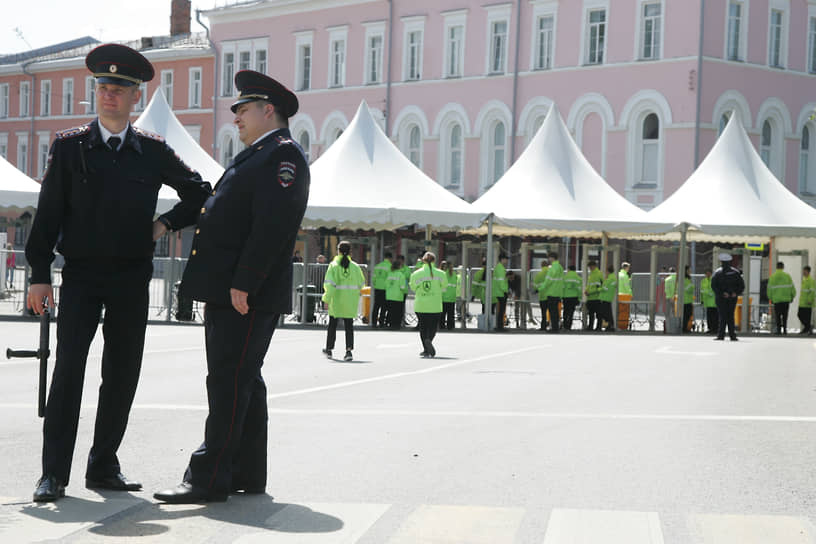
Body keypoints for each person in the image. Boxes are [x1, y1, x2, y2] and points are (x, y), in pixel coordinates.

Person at [24, 44, 211, 503]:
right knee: (68, 373)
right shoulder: (70, 148)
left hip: (131, 277)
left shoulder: (152, 151)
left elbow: (199, 191)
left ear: (135, 98)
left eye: (119, 89)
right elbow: (47, 215)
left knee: (122, 374)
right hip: (83, 277)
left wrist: (164, 224)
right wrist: (39, 274)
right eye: (103, 87)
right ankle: (53, 474)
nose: (109, 95)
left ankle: (104, 465)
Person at [154, 69, 309, 503]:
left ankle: (208, 478)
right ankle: (246, 472)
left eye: (243, 109)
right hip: (234, 290)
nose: (236, 117)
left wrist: (245, 281)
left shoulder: (283, 156)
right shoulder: (258, 155)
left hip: (243, 294)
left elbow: (273, 225)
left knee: (228, 381)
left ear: (268, 110)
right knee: (243, 380)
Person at [321, 241, 365, 360]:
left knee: (332, 325)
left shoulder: (334, 265)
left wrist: (326, 299)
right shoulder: (355, 266)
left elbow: (329, 285)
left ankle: (329, 349)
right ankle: (348, 351)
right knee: (349, 326)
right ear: (350, 251)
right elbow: (362, 283)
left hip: (336, 300)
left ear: (338, 250)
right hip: (350, 300)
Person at [410, 252, 447, 357]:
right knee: (433, 327)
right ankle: (428, 340)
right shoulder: (441, 274)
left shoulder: (416, 274)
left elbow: (412, 287)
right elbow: (444, 287)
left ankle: (426, 349)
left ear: (423, 260)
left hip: (421, 305)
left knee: (423, 326)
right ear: (434, 261)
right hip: (435, 305)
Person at [711, 253, 745, 341]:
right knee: (730, 316)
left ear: (721, 262)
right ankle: (732, 335)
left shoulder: (717, 272)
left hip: (721, 298)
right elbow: (741, 285)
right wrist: (736, 293)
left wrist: (722, 293)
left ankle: (721, 335)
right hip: (732, 298)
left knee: (722, 316)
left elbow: (714, 286)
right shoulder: (735, 272)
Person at [767, 262, 796, 335]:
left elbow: (769, 289)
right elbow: (792, 288)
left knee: (778, 316)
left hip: (776, 300)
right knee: (785, 315)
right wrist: (792, 296)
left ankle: (779, 330)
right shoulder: (787, 276)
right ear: (783, 267)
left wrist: (771, 298)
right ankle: (785, 330)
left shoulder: (772, 277)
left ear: (776, 267)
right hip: (786, 300)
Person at [541, 252, 564, 332]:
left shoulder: (553, 268)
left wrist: (541, 288)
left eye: (549, 258)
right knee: (556, 311)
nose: (548, 259)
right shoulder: (560, 267)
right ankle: (556, 327)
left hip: (552, 291)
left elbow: (548, 280)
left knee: (552, 311)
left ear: (552, 258)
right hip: (558, 292)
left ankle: (554, 328)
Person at [385, 256, 408, 330]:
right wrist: (404, 291)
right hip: (398, 296)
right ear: (399, 266)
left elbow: (386, 285)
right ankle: (396, 325)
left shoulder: (390, 274)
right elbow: (402, 287)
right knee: (398, 312)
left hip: (389, 296)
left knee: (390, 311)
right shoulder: (401, 275)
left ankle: (390, 324)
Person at [371, 252, 392, 328]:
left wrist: (376, 284)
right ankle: (381, 322)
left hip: (377, 288)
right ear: (390, 258)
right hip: (385, 289)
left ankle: (373, 322)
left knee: (376, 306)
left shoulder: (377, 266)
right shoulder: (390, 266)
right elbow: (390, 279)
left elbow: (374, 278)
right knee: (384, 307)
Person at [599, 264, 618, 332]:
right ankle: (610, 325)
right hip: (609, 297)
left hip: (605, 297)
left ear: (608, 271)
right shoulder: (613, 278)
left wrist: (598, 289)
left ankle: (610, 325)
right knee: (608, 312)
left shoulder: (609, 279)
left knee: (605, 313)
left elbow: (605, 288)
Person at [440, 260, 458, 330]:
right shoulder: (454, 274)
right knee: (451, 314)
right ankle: (450, 326)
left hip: (443, 297)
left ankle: (442, 325)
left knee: (443, 313)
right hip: (452, 297)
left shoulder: (443, 274)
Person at [562, 265, 581, 331]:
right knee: (571, 312)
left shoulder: (565, 277)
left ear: (569, 269)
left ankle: (565, 325)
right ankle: (569, 325)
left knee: (565, 311)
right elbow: (579, 289)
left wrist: (561, 296)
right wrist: (579, 298)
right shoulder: (578, 278)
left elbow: (562, 288)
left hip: (565, 297)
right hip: (574, 297)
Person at [584, 260, 602, 331]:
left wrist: (590, 292)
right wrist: (586, 290)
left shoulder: (598, 274)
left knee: (598, 314)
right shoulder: (591, 274)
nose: (589, 269)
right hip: (591, 298)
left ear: (594, 266)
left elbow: (599, 287)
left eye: (590, 267)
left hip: (596, 298)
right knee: (591, 314)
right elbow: (589, 285)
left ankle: (598, 327)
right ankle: (590, 327)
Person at [700, 268, 718, 335]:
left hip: (714, 302)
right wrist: (702, 300)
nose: (707, 274)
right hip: (707, 302)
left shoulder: (713, 280)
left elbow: (714, 290)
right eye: (706, 273)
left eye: (709, 273)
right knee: (709, 317)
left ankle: (715, 329)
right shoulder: (703, 281)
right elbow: (701, 291)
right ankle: (710, 328)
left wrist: (707, 292)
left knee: (715, 316)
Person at [493, 254, 509, 331]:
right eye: (506, 259)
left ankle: (499, 325)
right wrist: (505, 291)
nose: (506, 261)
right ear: (502, 259)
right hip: (501, 292)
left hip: (497, 291)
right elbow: (501, 282)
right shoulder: (501, 269)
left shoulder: (498, 267)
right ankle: (500, 326)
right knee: (501, 310)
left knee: (500, 310)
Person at [533, 259, 549, 330]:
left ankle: (543, 326)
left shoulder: (539, 274)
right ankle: (552, 325)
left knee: (543, 313)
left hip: (542, 296)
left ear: (541, 266)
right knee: (552, 312)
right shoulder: (550, 272)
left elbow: (535, 285)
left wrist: (537, 289)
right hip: (551, 295)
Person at [799, 265, 814, 335]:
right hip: (802, 302)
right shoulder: (804, 280)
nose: (804, 272)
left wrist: (810, 300)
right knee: (800, 315)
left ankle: (807, 329)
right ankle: (808, 327)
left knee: (806, 317)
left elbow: (812, 291)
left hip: (807, 303)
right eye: (803, 271)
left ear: (808, 272)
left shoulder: (810, 281)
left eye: (805, 271)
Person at [681, 265, 695, 333]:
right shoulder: (685, 280)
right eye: (689, 270)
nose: (690, 271)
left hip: (688, 300)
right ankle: (684, 328)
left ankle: (685, 328)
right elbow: (688, 289)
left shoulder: (687, 279)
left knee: (687, 315)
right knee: (686, 315)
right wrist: (692, 287)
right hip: (685, 300)